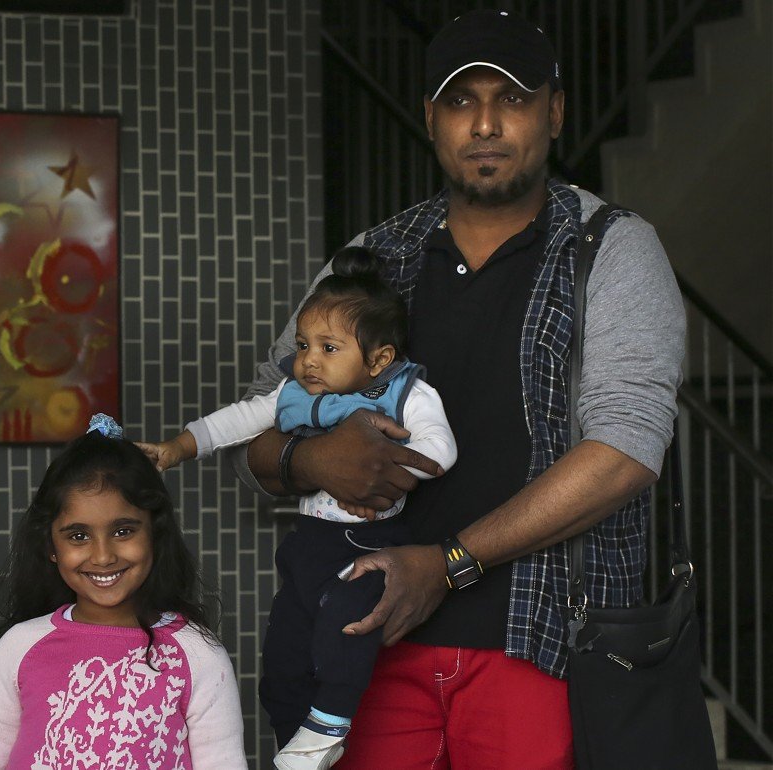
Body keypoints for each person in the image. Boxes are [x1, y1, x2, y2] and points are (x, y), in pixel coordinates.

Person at [226, 10, 684, 768]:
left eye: (511, 99)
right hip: (368, 650)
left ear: (555, 112)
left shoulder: (609, 248)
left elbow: (625, 449)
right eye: (462, 101)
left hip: (542, 646)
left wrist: (448, 563)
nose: (486, 123)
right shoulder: (370, 260)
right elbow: (255, 430)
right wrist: (311, 463)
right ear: (431, 118)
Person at [137, 247, 456, 768]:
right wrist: (176, 448)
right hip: (308, 545)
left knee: (347, 631)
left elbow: (441, 450)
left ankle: (327, 727)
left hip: (369, 545)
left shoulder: (407, 395)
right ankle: (294, 742)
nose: (309, 359)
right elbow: (236, 422)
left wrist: (390, 473)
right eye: (305, 344)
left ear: (379, 359)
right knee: (283, 659)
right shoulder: (293, 392)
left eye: (329, 348)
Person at [0, 416, 247, 770]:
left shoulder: (197, 655)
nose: (102, 556)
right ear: (51, 547)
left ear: (155, 533)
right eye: (78, 536)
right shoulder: (19, 647)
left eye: (123, 531)